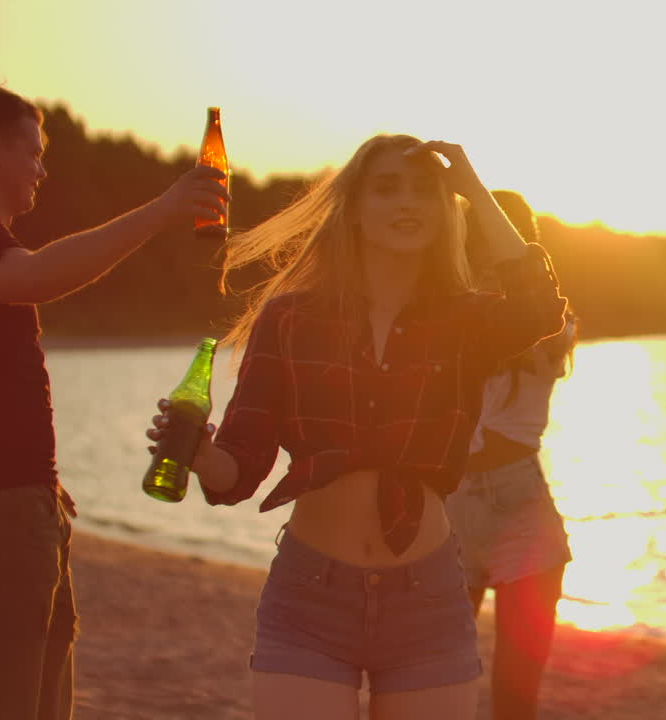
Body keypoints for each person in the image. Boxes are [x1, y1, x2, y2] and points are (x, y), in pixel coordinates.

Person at [147, 134, 566, 719]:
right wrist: (198, 450)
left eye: (424, 191)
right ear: (354, 206)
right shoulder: (291, 317)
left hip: (428, 601)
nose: (407, 203)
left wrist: (470, 184)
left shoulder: (464, 319)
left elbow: (541, 309)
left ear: (445, 211)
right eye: (387, 188)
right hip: (310, 598)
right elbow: (238, 469)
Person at [0, 79, 228, 720]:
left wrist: (39, 485)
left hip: (17, 500)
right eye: (33, 153)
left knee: (45, 680)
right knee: (6, 695)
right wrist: (163, 210)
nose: (42, 170)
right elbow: (32, 277)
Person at [445, 189, 575, 720]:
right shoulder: (447, 315)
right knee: (436, 680)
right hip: (448, 508)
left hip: (522, 510)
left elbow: (539, 315)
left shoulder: (550, 323)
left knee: (516, 694)